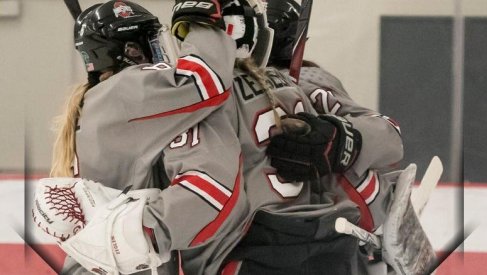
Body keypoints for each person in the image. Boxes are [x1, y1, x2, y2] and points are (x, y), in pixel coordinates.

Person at [33, 1, 407, 274]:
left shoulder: (152, 103)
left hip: (239, 254)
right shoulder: (299, 84)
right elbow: (388, 140)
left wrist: (142, 232)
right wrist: (347, 145)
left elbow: (210, 189)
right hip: (334, 243)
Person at [263, 1, 436, 274]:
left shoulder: (306, 81)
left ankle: (380, 216)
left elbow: (388, 136)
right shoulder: (212, 89)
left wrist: (340, 140)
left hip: (306, 229)